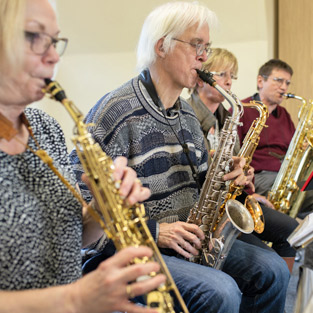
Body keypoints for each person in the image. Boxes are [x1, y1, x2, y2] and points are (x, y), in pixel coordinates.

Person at [70, 3, 290, 312]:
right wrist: (157, 232)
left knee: (273, 270)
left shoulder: (186, 115)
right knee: (221, 291)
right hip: (130, 249)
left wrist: (227, 176)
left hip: (188, 239)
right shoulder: (115, 112)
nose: (204, 56)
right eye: (196, 45)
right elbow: (80, 216)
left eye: (207, 47)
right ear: (162, 46)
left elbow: (201, 187)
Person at [0, 0, 166, 312]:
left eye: (54, 42)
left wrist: (103, 208)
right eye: (35, 37)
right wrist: (73, 299)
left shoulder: (45, 127)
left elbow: (74, 236)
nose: (52, 57)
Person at [187, 48, 299, 273]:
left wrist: (246, 176)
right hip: (205, 209)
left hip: (232, 200)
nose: (229, 82)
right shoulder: (187, 116)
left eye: (232, 76)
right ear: (201, 79)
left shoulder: (228, 117)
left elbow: (239, 163)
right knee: (269, 265)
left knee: (291, 231)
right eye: (222, 75)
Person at [239, 59, 313, 219]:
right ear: (260, 81)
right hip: (259, 177)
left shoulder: (284, 114)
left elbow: (293, 147)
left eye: (287, 83)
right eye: (278, 80)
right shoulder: (242, 109)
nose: (284, 87)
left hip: (284, 175)